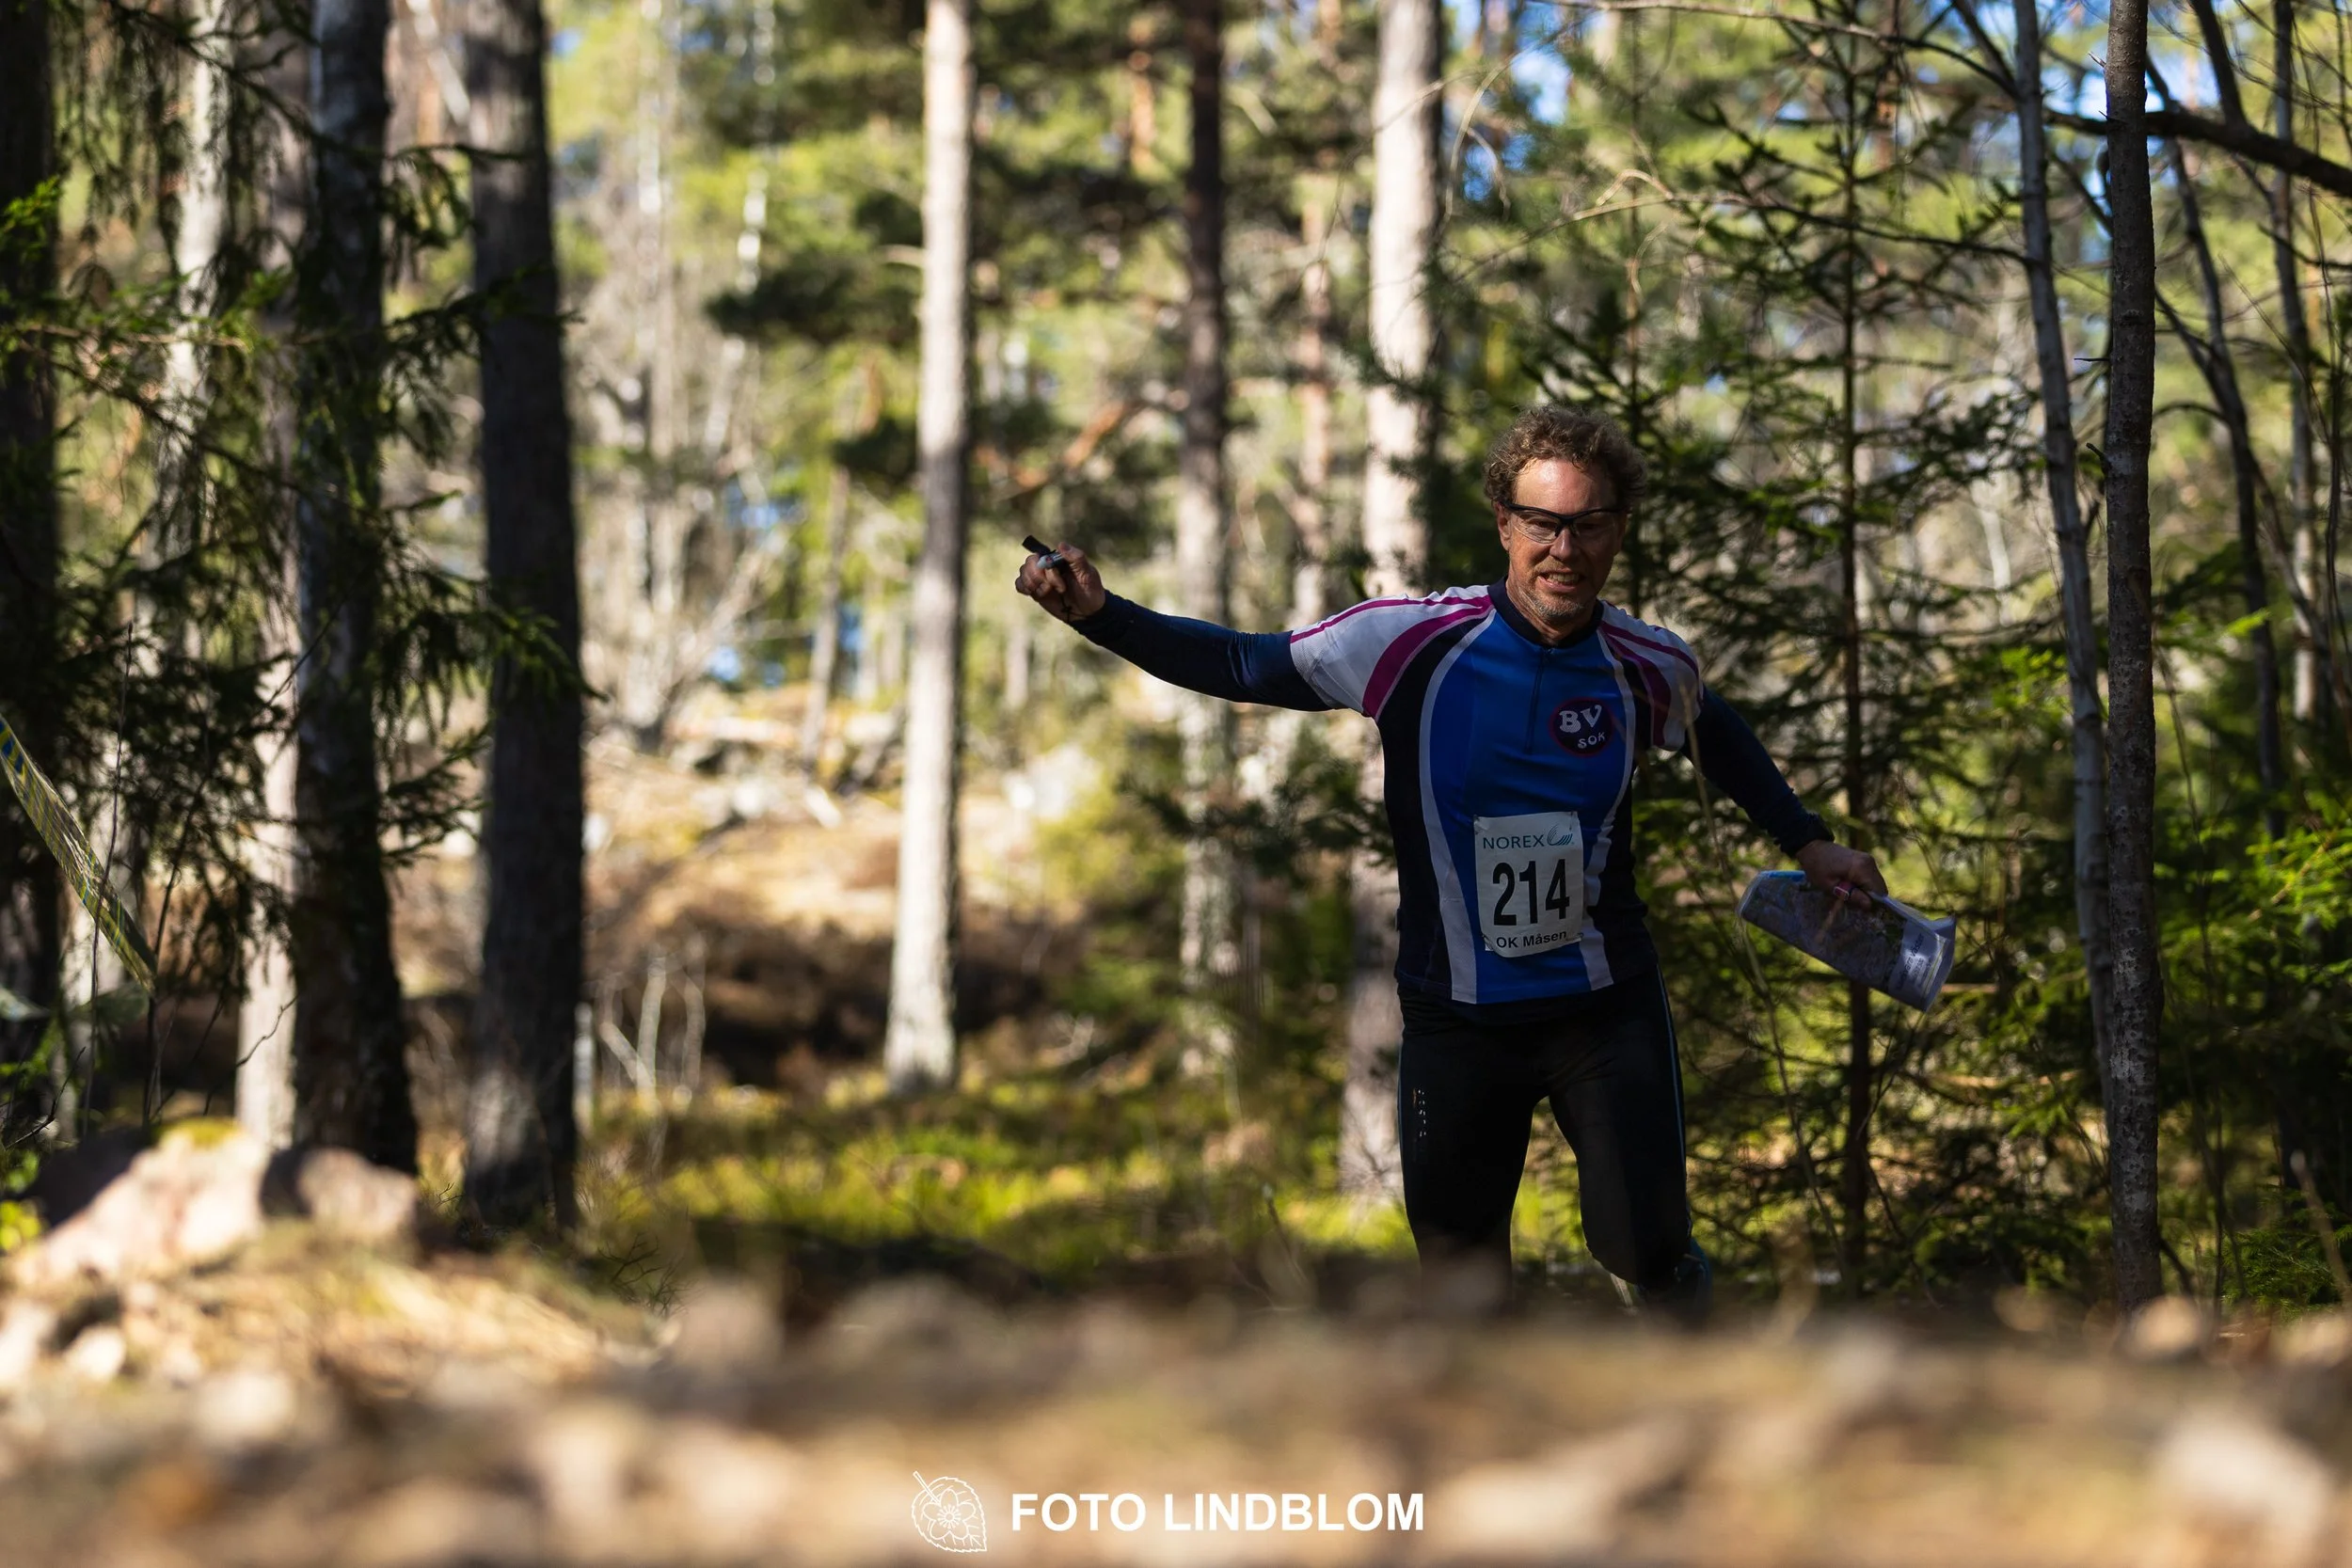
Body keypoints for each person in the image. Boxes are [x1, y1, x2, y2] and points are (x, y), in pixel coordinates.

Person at [1013, 405, 1883, 1319]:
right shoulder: (1407, 642)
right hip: (1456, 1018)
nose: (1564, 549)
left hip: (1603, 1008)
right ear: (1504, 524)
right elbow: (1243, 662)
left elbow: (1716, 729)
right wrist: (1101, 615)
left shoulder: (1646, 664)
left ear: (1617, 532)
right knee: (1464, 1282)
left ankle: (1699, 1410)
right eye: (1542, 523)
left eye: (1588, 524)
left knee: (1645, 1244)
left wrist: (1806, 838)